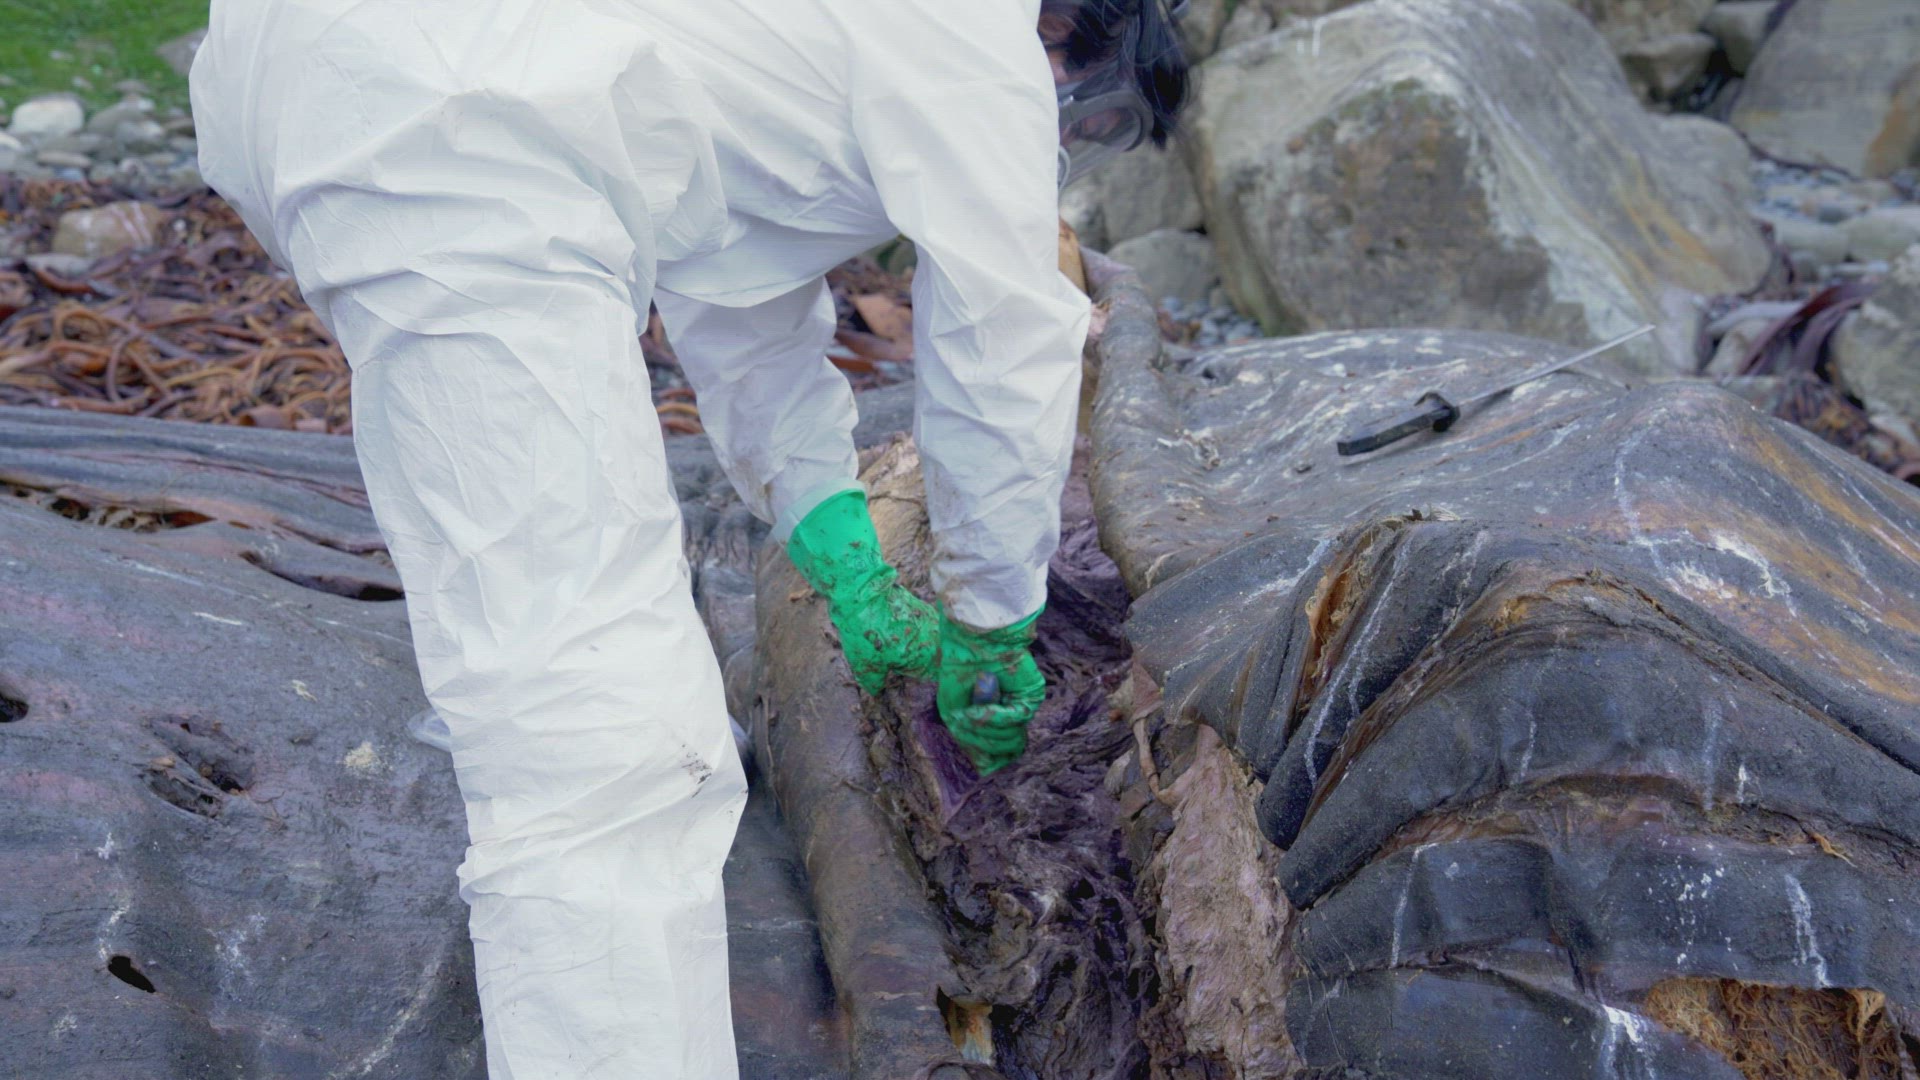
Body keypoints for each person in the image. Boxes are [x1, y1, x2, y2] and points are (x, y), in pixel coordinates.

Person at [190, 0, 1187, 1076]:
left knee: (578, 688)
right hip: (458, 119)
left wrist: (831, 533)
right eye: (1088, 116)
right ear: (1068, 32)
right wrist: (995, 616)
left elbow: (732, 284)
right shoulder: (981, 40)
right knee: (602, 741)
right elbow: (1001, 334)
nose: (1063, 145)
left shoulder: (826, 42)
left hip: (372, 85)